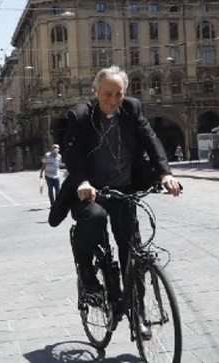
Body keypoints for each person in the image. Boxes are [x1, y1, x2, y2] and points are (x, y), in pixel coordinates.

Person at [60, 65, 181, 302]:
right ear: (95, 91)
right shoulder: (81, 115)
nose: (114, 100)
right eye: (108, 94)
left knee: (132, 251)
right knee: (95, 218)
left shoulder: (131, 109)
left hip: (122, 189)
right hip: (90, 191)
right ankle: (86, 273)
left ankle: (138, 310)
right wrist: (83, 182)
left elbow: (150, 139)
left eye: (119, 94)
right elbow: (72, 153)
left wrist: (164, 173)